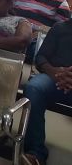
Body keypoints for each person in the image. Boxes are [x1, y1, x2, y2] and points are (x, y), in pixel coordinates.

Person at [22, 18, 72, 165]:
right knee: (34, 88)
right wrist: (55, 73)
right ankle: (36, 153)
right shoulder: (60, 28)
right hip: (53, 78)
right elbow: (41, 57)